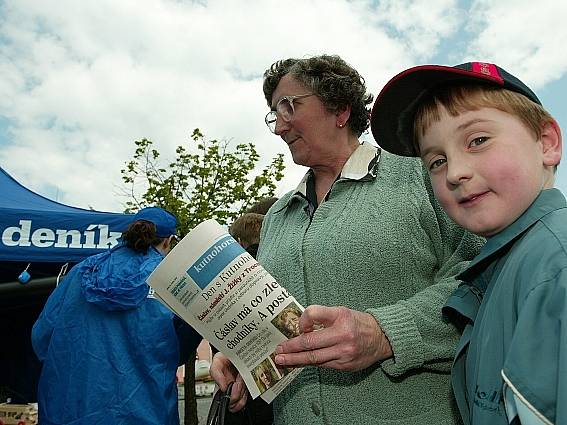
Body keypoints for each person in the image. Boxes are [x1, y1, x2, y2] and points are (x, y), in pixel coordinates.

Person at [210, 54, 485, 424]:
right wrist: (245, 349)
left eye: (289, 106)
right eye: (275, 113)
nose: (279, 127)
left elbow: (481, 276)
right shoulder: (277, 216)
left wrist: (386, 332)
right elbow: (281, 315)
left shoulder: (421, 175)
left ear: (340, 109)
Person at [370, 62, 565, 424]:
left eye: (478, 140)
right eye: (437, 161)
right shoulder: (501, 270)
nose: (456, 172)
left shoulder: (556, 266)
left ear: (546, 143)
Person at [32, 207, 202, 425]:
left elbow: (41, 337)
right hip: (146, 410)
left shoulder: (81, 271)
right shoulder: (170, 280)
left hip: (71, 410)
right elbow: (178, 350)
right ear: (168, 241)